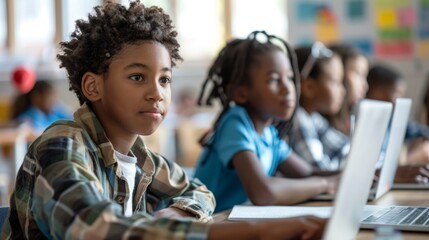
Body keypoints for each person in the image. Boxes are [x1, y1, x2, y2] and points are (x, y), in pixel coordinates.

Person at [1, 2, 326, 240]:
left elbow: (200, 191)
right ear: (93, 85)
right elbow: (96, 229)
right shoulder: (62, 146)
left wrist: (179, 211)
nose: (157, 93)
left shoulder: (141, 158)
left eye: (165, 80)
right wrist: (254, 231)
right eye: (138, 77)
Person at [193, 31, 340, 213]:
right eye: (273, 80)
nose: (288, 88)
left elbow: (307, 172)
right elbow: (263, 193)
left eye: (289, 78)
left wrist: (353, 175)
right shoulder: (235, 123)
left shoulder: (269, 133)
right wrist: (325, 184)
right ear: (241, 93)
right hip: (210, 225)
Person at [287, 42, 349, 171]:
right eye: (336, 82)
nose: (342, 91)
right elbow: (320, 169)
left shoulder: (314, 118)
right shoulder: (298, 119)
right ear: (309, 87)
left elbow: (344, 147)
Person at [366, 64, 429, 166]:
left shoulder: (391, 121)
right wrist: (410, 160)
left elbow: (419, 131)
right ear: (378, 92)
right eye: (396, 94)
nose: (399, 101)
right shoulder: (363, 125)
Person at [325, 43, 369, 135]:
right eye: (358, 74)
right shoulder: (320, 123)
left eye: (365, 76)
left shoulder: (351, 119)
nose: (365, 86)